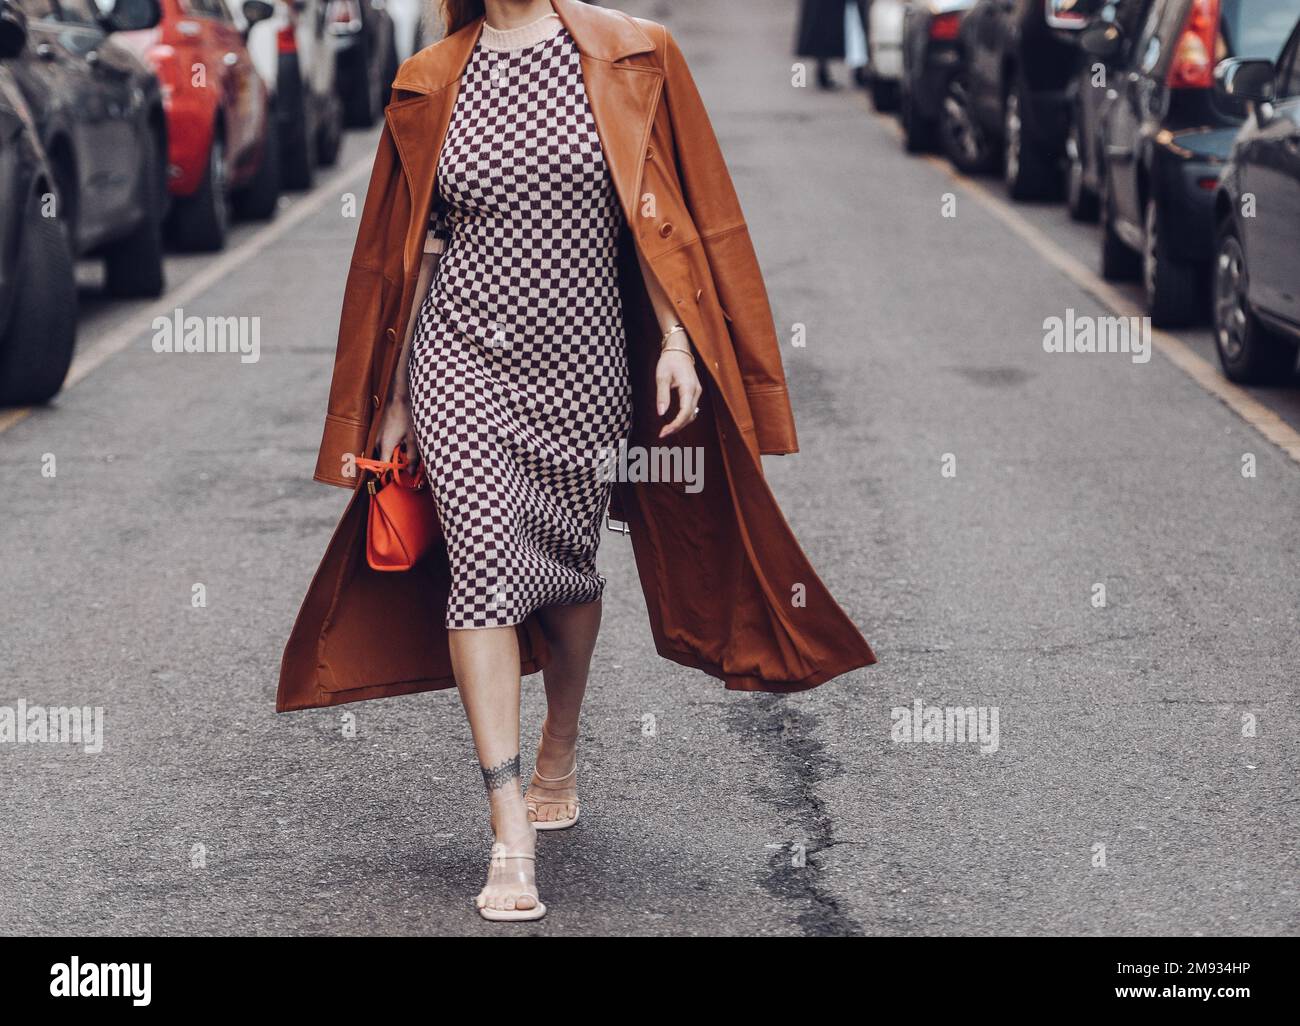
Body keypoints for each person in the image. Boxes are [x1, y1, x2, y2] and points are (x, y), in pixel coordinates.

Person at [278, 0, 876, 924]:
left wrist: (676, 344)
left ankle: (560, 739)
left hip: (584, 362)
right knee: (480, 568)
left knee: (564, 572)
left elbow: (664, 217)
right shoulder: (433, 75)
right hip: (460, 360)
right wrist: (394, 398)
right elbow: (413, 252)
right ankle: (507, 825)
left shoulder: (636, 52)